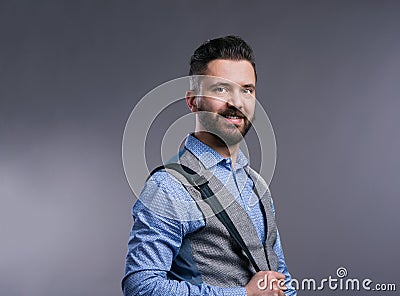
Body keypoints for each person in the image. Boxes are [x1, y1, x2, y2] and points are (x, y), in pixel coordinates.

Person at [122, 35, 296, 296]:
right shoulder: (168, 188)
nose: (237, 103)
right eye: (221, 89)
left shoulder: (257, 185)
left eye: (246, 89)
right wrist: (244, 295)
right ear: (193, 101)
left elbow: (280, 277)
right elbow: (141, 288)